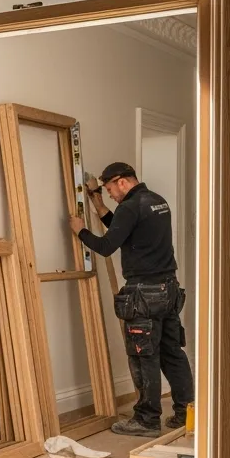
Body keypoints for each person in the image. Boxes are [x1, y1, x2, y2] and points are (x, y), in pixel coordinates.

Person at [69, 161, 194, 437]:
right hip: (169, 289)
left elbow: (106, 246)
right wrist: (98, 204)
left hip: (144, 294)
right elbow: (124, 230)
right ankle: (187, 412)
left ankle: (147, 420)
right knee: (173, 352)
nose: (111, 194)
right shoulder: (156, 202)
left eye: (110, 188)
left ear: (122, 181)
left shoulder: (130, 207)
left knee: (144, 355)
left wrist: (80, 231)